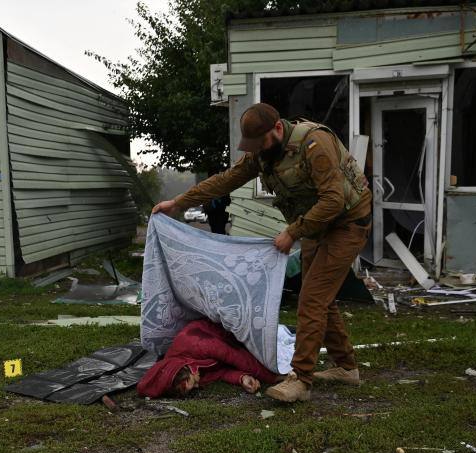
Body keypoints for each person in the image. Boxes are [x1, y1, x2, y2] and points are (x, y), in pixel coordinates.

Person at [152, 103, 372, 402]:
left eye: (262, 143)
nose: (258, 151)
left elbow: (333, 201)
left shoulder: (313, 143)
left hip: (347, 222)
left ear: (278, 129)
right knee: (319, 297)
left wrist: (292, 232)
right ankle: (346, 367)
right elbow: (226, 180)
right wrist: (179, 202)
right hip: (317, 225)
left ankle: (301, 380)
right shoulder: (263, 152)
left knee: (312, 299)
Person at [137, 319, 278, 398]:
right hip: (234, 344)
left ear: (189, 370)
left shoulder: (197, 344)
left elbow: (237, 357)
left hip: (233, 330)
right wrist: (242, 378)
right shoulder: (187, 369)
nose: (199, 384)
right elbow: (220, 373)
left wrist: (272, 377)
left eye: (194, 383)